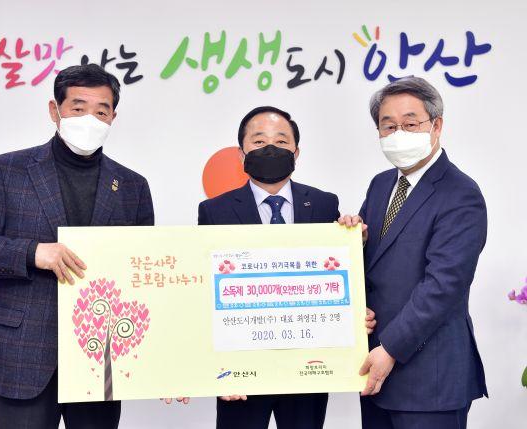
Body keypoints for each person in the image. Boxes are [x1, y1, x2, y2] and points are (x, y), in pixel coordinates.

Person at [0, 64, 154, 429]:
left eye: (101, 111)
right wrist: (32, 253)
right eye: (78, 108)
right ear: (55, 111)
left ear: (113, 118)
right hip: (25, 352)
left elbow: (143, 274)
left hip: (101, 356)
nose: (90, 119)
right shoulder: (7, 170)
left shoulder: (132, 186)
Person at [196, 105, 376, 429]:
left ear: (296, 152)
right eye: (259, 141)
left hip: (307, 366)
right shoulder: (214, 211)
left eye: (281, 142)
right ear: (241, 154)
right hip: (241, 371)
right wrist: (214, 369)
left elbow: (337, 277)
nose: (270, 149)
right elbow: (205, 294)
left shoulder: (324, 204)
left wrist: (354, 241)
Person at [339, 77, 487, 429]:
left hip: (429, 378)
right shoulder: (380, 185)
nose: (398, 134)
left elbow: (443, 286)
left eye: (410, 124)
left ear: (436, 125)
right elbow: (377, 265)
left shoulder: (460, 193)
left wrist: (390, 349)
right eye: (388, 126)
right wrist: (353, 242)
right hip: (376, 372)